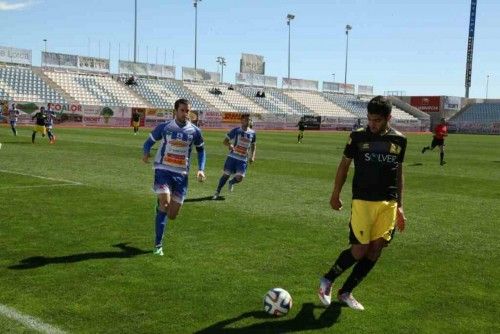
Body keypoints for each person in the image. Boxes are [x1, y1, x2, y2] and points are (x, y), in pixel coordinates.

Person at [318, 95, 407, 311]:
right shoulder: (357, 137)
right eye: (369, 119)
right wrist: (335, 193)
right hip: (362, 201)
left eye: (377, 120)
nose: (372, 124)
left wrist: (400, 206)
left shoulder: (399, 140)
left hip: (388, 203)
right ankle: (328, 280)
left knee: (376, 249)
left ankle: (346, 292)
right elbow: (344, 166)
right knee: (359, 250)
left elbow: (399, 173)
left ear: (388, 118)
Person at [142, 98, 206, 256]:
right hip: (163, 169)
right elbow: (148, 142)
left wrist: (201, 169)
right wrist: (145, 153)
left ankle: (160, 206)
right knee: (165, 204)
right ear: (175, 111)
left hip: (181, 174)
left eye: (187, 111)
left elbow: (201, 150)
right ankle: (158, 245)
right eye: (182, 110)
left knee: (172, 215)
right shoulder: (165, 127)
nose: (185, 113)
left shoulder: (195, 131)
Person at [212, 113, 256, 200]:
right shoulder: (236, 130)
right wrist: (230, 145)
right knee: (226, 175)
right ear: (241, 120)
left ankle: (231, 182)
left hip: (243, 159)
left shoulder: (253, 133)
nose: (248, 121)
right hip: (232, 157)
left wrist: (252, 156)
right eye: (246, 119)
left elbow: (254, 145)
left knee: (240, 178)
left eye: (249, 120)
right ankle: (217, 191)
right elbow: (225, 141)